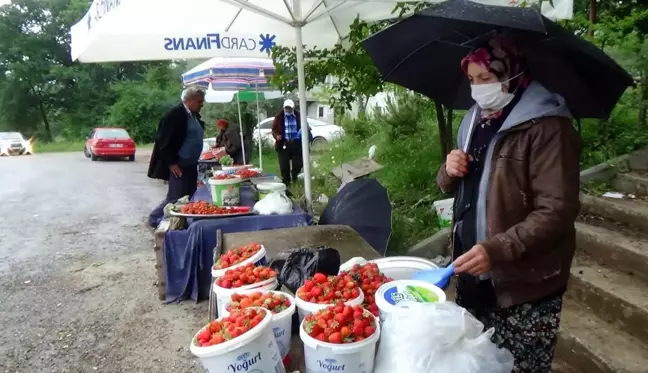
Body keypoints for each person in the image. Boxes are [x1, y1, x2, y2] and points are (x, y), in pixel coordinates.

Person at [436, 36, 581, 373]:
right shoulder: (474, 119)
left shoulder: (548, 128)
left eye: (485, 79)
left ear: (513, 74)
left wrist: (498, 248)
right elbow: (455, 186)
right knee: (475, 362)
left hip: (524, 284)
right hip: (474, 271)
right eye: (472, 80)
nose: (477, 88)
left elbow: (557, 210)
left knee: (520, 366)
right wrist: (448, 170)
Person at [147, 87, 205, 228]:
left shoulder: (193, 115)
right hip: (179, 164)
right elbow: (163, 141)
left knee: (189, 195)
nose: (202, 104)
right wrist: (172, 163)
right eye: (199, 101)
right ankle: (155, 218)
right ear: (189, 100)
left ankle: (181, 222)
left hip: (191, 164)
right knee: (176, 197)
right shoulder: (174, 115)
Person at [272, 99, 305, 186]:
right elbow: (274, 130)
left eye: (289, 108)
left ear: (293, 108)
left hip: (296, 143)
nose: (287, 110)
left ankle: (294, 176)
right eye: (286, 108)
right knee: (284, 165)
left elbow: (305, 126)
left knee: (298, 163)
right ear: (283, 108)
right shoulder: (279, 117)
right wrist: (277, 136)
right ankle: (286, 183)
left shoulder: (298, 116)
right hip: (283, 143)